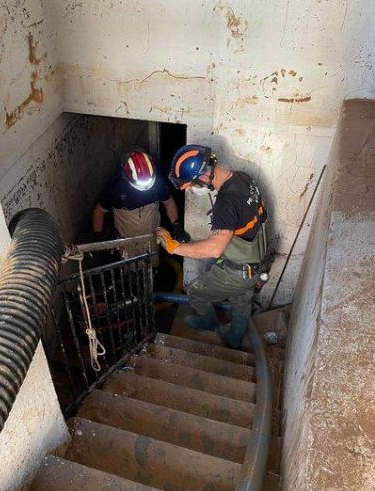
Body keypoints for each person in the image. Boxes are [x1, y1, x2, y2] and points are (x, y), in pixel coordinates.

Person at [156, 144, 270, 349]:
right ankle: (235, 336)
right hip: (256, 261)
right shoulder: (243, 178)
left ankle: (209, 322)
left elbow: (213, 249)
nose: (191, 189)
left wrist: (174, 247)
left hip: (237, 271)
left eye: (190, 185)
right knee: (241, 301)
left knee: (195, 292)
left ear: (203, 177)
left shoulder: (226, 205)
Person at [92, 148, 190, 259]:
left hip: (151, 238)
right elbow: (99, 211)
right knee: (130, 267)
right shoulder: (116, 189)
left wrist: (176, 226)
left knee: (152, 264)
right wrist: (98, 237)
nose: (146, 188)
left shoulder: (158, 183)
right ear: (128, 178)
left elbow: (169, 203)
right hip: (126, 242)